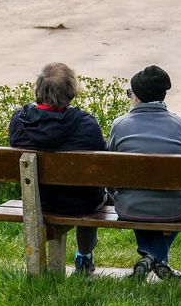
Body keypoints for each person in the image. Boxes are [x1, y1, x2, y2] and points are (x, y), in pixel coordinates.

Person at [9, 63, 108, 276]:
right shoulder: (86, 124)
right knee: (93, 192)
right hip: (82, 203)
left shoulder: (20, 122)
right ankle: (84, 255)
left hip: (38, 201)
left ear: (38, 89)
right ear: (71, 91)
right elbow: (103, 163)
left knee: (90, 191)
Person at [108, 65, 181, 281]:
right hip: (175, 208)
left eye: (130, 93)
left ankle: (150, 257)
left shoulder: (119, 125)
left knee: (140, 198)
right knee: (162, 201)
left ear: (137, 97)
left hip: (131, 207)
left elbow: (110, 169)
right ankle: (158, 259)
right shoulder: (179, 124)